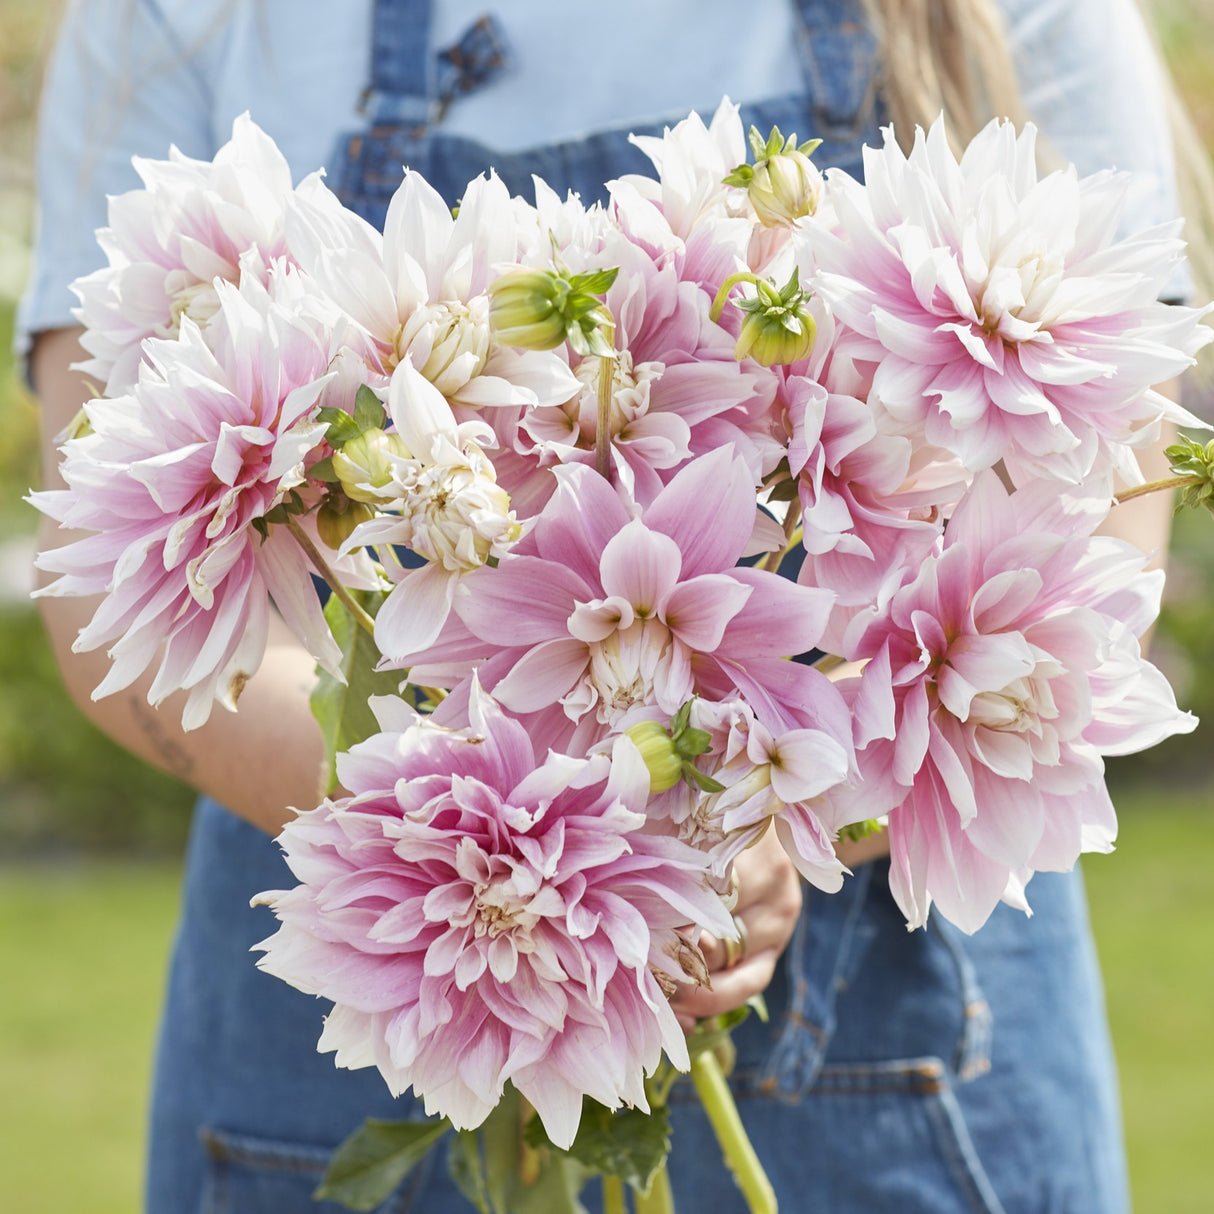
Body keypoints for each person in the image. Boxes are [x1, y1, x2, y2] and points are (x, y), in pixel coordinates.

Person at [19, 1, 1206, 1209]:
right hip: (402, 963)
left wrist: (764, 821)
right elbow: (101, 570)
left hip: (888, 1021)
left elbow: (1100, 528)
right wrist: (463, 859)